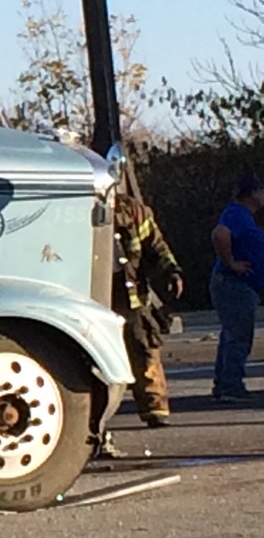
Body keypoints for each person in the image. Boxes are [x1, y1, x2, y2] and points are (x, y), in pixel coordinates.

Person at [113, 159, 184, 425]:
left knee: (145, 348)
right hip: (95, 298)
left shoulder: (134, 212)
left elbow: (156, 245)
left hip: (132, 295)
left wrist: (172, 271)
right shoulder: (76, 211)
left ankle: (155, 409)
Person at [208, 170, 264, 403]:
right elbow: (220, 235)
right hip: (234, 284)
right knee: (238, 335)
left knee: (232, 333)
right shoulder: (237, 214)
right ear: (252, 193)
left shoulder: (244, 217)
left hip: (240, 286)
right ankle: (231, 385)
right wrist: (231, 263)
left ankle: (224, 383)